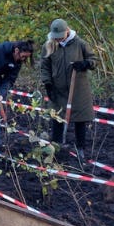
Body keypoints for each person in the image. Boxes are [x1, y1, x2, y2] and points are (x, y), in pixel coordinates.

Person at [40, 18, 96, 150]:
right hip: (57, 89)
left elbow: (93, 60)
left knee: (80, 119)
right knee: (57, 117)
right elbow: (45, 67)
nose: (58, 39)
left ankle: (80, 148)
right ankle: (56, 147)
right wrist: (48, 84)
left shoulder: (80, 44)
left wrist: (85, 64)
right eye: (56, 37)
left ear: (67, 31)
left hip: (78, 89)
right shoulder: (48, 46)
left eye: (61, 36)